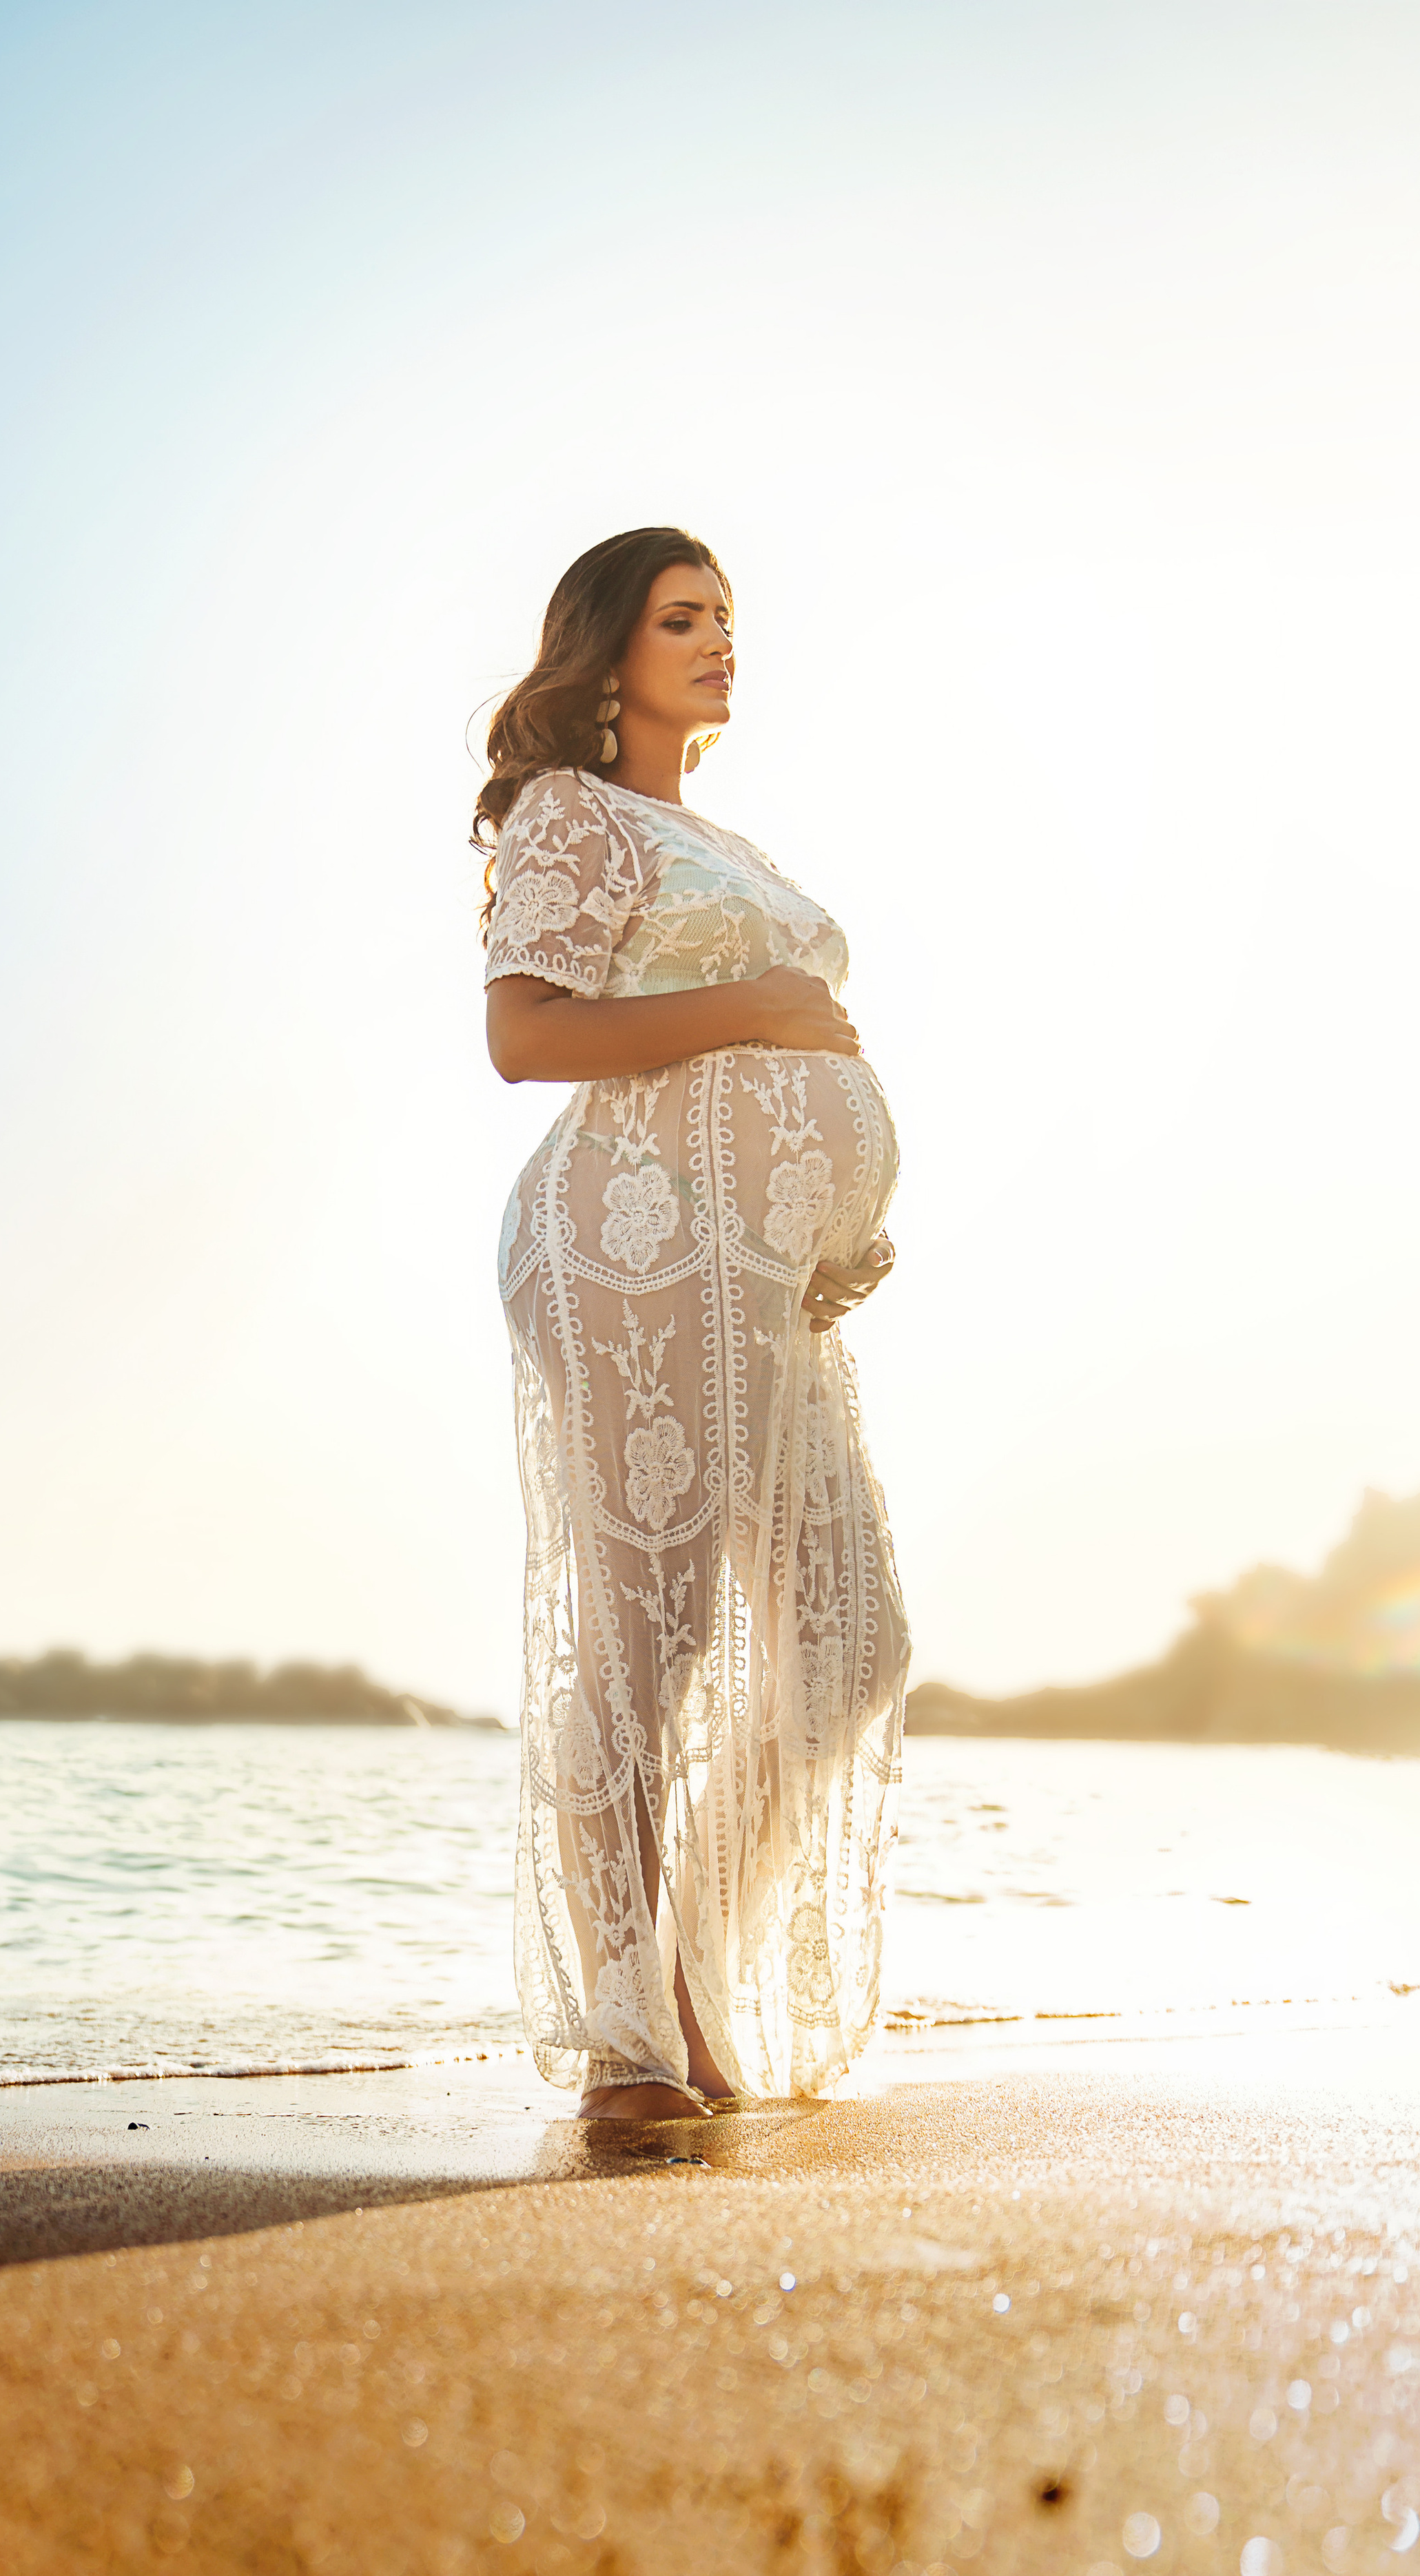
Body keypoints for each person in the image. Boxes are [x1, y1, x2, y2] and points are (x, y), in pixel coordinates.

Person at [475, 528, 909, 2122]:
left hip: (760, 1279)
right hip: (630, 1240)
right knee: (642, 1642)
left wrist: (832, 1227)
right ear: (605, 651)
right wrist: (765, 1014)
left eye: (727, 618)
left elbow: (786, 1072)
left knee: (849, 1647)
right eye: (682, 618)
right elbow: (527, 1035)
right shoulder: (568, 813)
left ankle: (689, 1971)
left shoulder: (707, 833)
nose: (718, 640)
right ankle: (626, 2039)